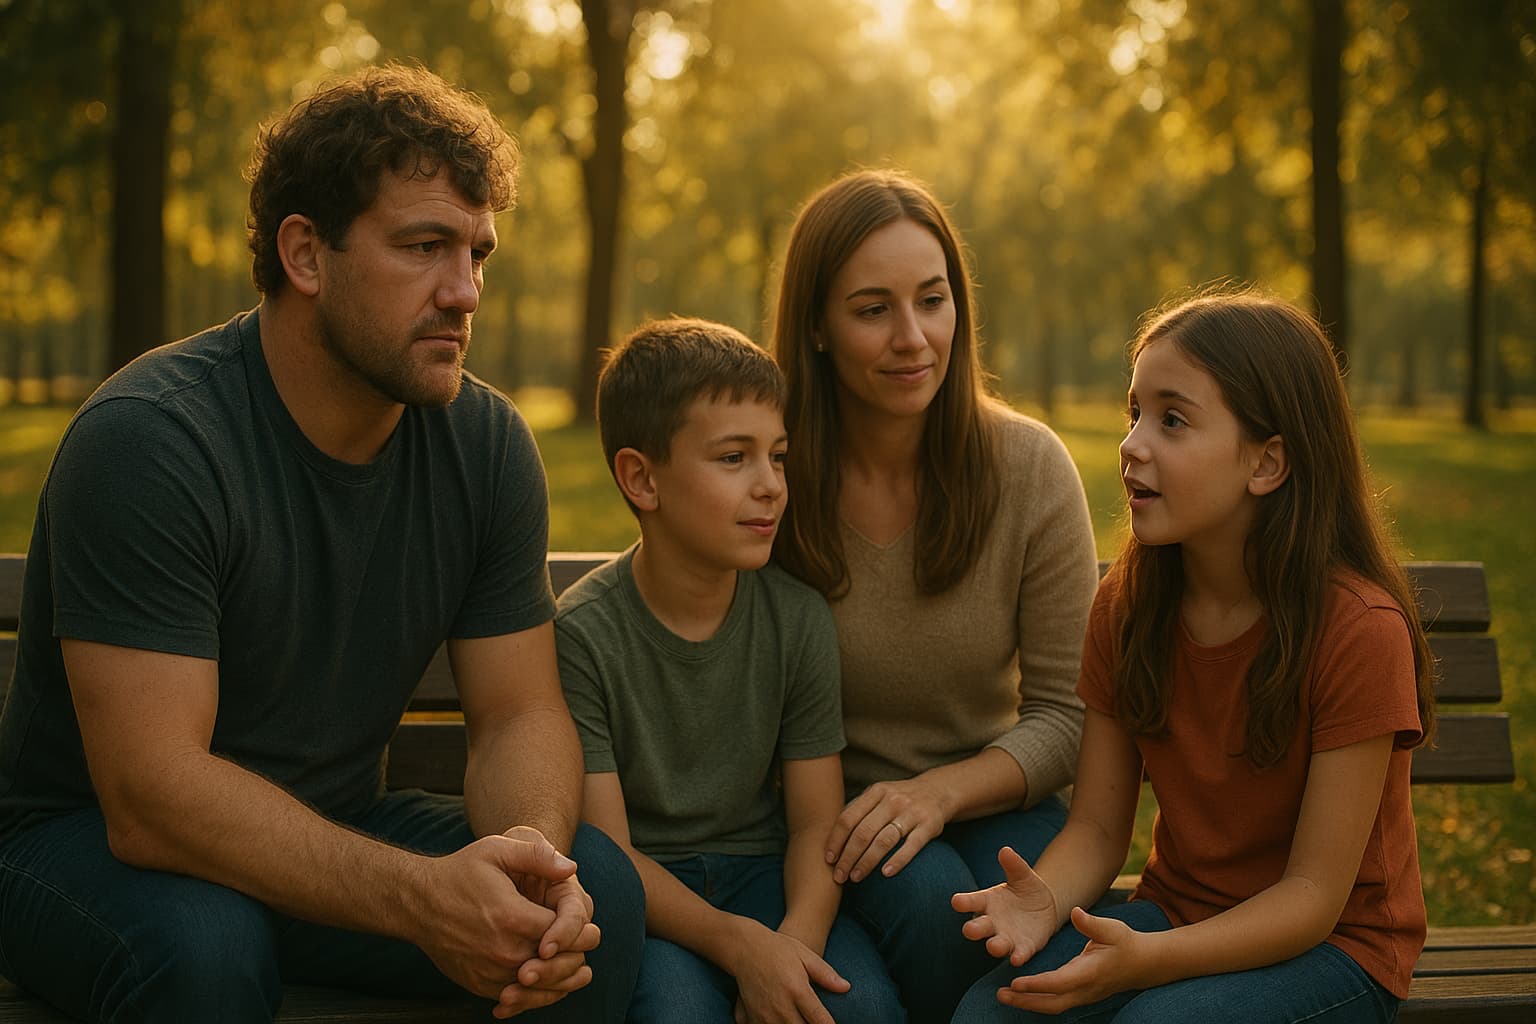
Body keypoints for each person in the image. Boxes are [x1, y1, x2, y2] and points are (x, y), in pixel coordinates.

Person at [0, 63, 643, 1023]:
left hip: (335, 828)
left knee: (592, 904)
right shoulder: (152, 440)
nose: (465, 291)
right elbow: (151, 797)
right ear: (305, 253)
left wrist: (526, 864)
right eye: (424, 246)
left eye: (478, 253)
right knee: (207, 947)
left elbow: (519, 715)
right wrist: (422, 899)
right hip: (86, 850)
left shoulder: (486, 447)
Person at [951, 291, 1436, 1023]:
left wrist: (1149, 961)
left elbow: (1311, 898)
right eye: (1134, 413)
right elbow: (1098, 830)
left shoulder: (1358, 631)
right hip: (1179, 912)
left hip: (1338, 948)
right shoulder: (1127, 607)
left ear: (1267, 462)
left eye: (1172, 420)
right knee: (995, 1013)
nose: (1132, 444)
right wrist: (1043, 901)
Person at [770, 168, 1100, 1022]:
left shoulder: (1029, 468)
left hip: (994, 800)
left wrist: (939, 792)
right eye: (872, 309)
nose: (913, 338)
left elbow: (1069, 716)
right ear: (816, 326)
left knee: (1024, 960)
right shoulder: (770, 474)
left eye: (932, 299)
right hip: (822, 823)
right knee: (917, 926)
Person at [555, 318, 904, 1024]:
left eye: (778, 456)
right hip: (654, 899)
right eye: (734, 458)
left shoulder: (797, 619)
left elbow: (814, 824)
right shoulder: (583, 635)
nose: (771, 485)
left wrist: (792, 945)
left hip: (770, 879)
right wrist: (742, 950)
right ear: (642, 478)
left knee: (859, 1011)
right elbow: (612, 855)